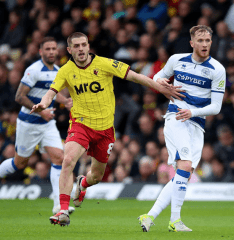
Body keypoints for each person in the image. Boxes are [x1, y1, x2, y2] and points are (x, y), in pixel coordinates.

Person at [30, 32, 184, 226]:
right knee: (68, 159)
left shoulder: (105, 63)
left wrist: (159, 88)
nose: (80, 49)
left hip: (104, 130)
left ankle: (83, 183)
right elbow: (51, 92)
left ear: (88, 46)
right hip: (81, 124)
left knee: (96, 176)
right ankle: (62, 211)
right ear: (69, 50)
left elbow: (135, 77)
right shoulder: (66, 71)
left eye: (83, 45)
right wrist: (43, 104)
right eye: (76, 46)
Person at [138, 25, 226, 232]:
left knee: (182, 174)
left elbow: (216, 106)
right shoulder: (177, 60)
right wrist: (163, 85)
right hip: (176, 117)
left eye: (208, 41)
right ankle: (175, 221)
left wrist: (194, 113)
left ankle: (149, 216)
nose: (204, 44)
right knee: (185, 166)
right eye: (200, 41)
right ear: (192, 43)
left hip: (197, 123)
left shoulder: (217, 69)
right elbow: (156, 77)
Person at [0, 37, 74, 215]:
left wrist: (65, 101)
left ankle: (57, 204)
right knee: (19, 163)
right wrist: (41, 111)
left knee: (59, 158)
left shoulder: (58, 71)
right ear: (41, 52)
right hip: (29, 123)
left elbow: (52, 93)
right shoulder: (33, 70)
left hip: (47, 123)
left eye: (54, 49)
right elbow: (19, 97)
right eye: (47, 49)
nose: (52, 52)